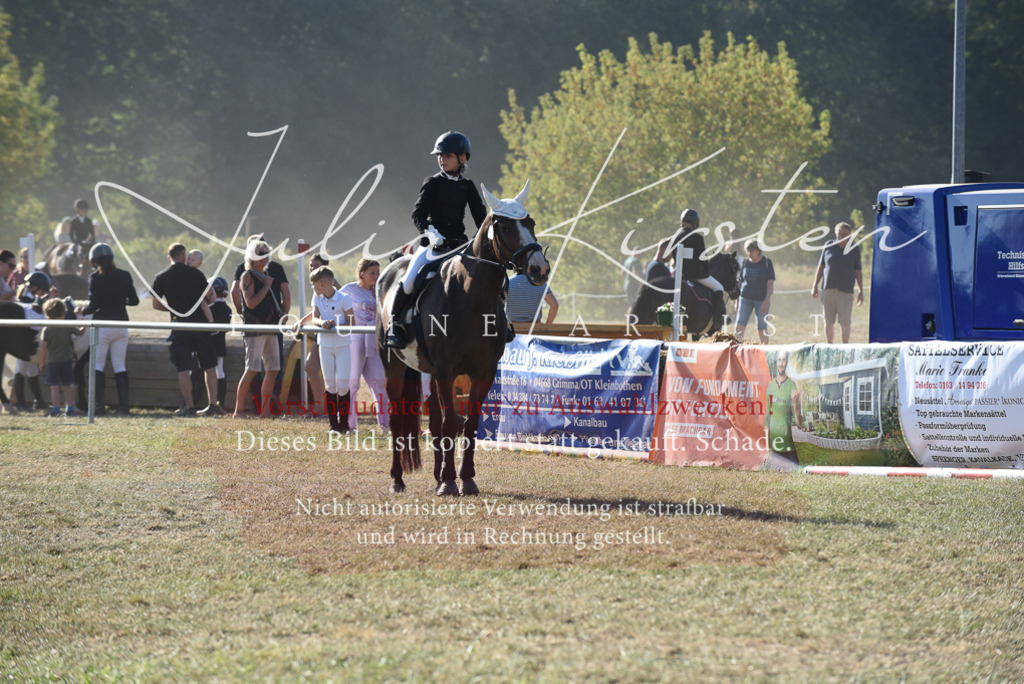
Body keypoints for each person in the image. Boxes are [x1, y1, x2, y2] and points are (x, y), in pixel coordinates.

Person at [385, 130, 487, 348]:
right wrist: (430, 231)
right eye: (440, 156)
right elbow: (418, 214)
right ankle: (394, 325)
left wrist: (487, 238)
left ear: (462, 158)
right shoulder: (432, 182)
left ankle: (499, 320)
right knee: (411, 278)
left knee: (484, 275)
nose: (442, 160)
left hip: (458, 245)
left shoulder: (467, 186)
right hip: (432, 245)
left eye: (447, 155)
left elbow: (481, 218)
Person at [151, 242, 220, 416]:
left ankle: (189, 407)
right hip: (200, 324)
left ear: (169, 257)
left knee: (183, 368)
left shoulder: (161, 276)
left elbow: (156, 304)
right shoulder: (196, 274)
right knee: (209, 366)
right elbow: (210, 297)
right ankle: (213, 404)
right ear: (183, 256)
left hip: (179, 325)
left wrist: (173, 309)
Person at [80, 243, 139, 415]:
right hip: (121, 325)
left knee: (98, 366)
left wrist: (81, 311)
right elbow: (134, 301)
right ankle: (124, 407)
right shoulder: (125, 275)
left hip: (103, 326)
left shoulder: (95, 278)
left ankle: (99, 406)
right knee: (119, 366)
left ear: (94, 261)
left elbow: (94, 305)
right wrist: (119, 301)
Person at [294, 265, 354, 433]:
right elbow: (316, 318)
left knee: (343, 385)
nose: (312, 287)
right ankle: (333, 425)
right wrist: (323, 324)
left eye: (313, 284)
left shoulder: (344, 298)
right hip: (325, 345)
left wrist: (337, 326)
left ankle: (345, 425)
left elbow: (352, 323)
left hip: (342, 346)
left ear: (322, 284)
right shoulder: (317, 297)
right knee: (330, 385)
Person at [233, 240, 283, 419]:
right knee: (252, 369)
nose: (264, 257)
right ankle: (238, 410)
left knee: (273, 369)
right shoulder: (247, 276)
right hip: (255, 328)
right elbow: (250, 303)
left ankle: (265, 411)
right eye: (259, 253)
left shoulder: (267, 274)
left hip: (271, 328)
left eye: (266, 253)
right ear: (251, 256)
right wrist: (268, 286)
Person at [340, 257, 388, 430]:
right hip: (355, 340)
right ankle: (349, 424)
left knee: (379, 383)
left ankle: (385, 424)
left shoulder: (380, 291)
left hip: (373, 341)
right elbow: (332, 302)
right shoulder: (349, 290)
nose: (376, 276)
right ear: (362, 274)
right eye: (372, 273)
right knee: (353, 383)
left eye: (377, 272)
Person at [673, 208, 726, 329]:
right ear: (695, 223)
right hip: (697, 275)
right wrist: (706, 270)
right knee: (719, 287)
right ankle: (718, 320)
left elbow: (674, 257)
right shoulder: (697, 237)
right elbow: (703, 258)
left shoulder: (675, 237)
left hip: (680, 276)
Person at [812, 221, 864, 343]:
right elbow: (821, 267)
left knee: (845, 321)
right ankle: (830, 346)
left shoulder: (854, 249)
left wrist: (860, 290)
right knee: (828, 321)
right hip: (828, 288)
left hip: (846, 291)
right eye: (839, 233)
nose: (841, 236)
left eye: (844, 234)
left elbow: (858, 271)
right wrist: (815, 286)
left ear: (849, 235)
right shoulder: (828, 246)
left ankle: (844, 346)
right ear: (835, 233)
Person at [11, 271, 53, 410]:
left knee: (32, 370)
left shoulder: (30, 297)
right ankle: (21, 402)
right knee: (21, 369)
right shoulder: (25, 299)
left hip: (29, 339)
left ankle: (39, 401)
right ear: (36, 287)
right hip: (22, 339)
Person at [40, 298, 83, 417]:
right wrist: (81, 318)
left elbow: (44, 347)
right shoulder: (67, 326)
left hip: (54, 361)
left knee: (54, 386)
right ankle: (70, 408)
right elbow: (80, 332)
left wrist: (42, 362)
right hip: (67, 360)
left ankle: (56, 409)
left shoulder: (47, 329)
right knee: (67, 386)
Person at [764, 349, 804, 471]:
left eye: (784, 360)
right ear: (776, 362)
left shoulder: (791, 385)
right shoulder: (770, 385)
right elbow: (768, 418)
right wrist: (766, 450)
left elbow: (799, 425)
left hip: (787, 447)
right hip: (774, 448)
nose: (781, 363)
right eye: (779, 360)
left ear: (787, 363)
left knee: (796, 476)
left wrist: (796, 403)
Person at [734, 239, 775, 344]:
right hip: (745, 298)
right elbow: (740, 282)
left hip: (761, 300)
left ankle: (765, 351)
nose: (749, 253)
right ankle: (737, 349)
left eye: (752, 251)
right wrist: (737, 300)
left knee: (761, 328)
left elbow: (770, 284)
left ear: (758, 251)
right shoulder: (745, 262)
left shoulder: (766, 262)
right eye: (748, 251)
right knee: (739, 325)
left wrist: (766, 301)